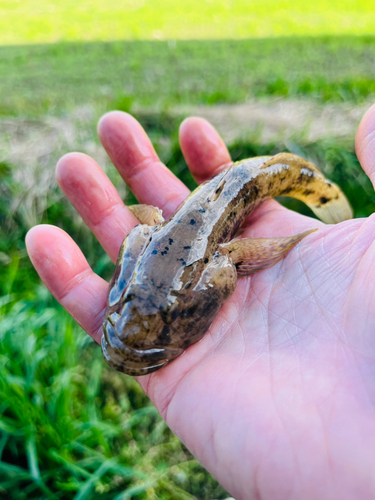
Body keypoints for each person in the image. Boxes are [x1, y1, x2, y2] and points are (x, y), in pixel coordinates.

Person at [26, 106, 375, 500]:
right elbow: (144, 237)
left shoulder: (206, 253)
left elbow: (177, 245)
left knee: (284, 181)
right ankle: (325, 196)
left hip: (242, 192)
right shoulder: (149, 239)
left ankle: (321, 192)